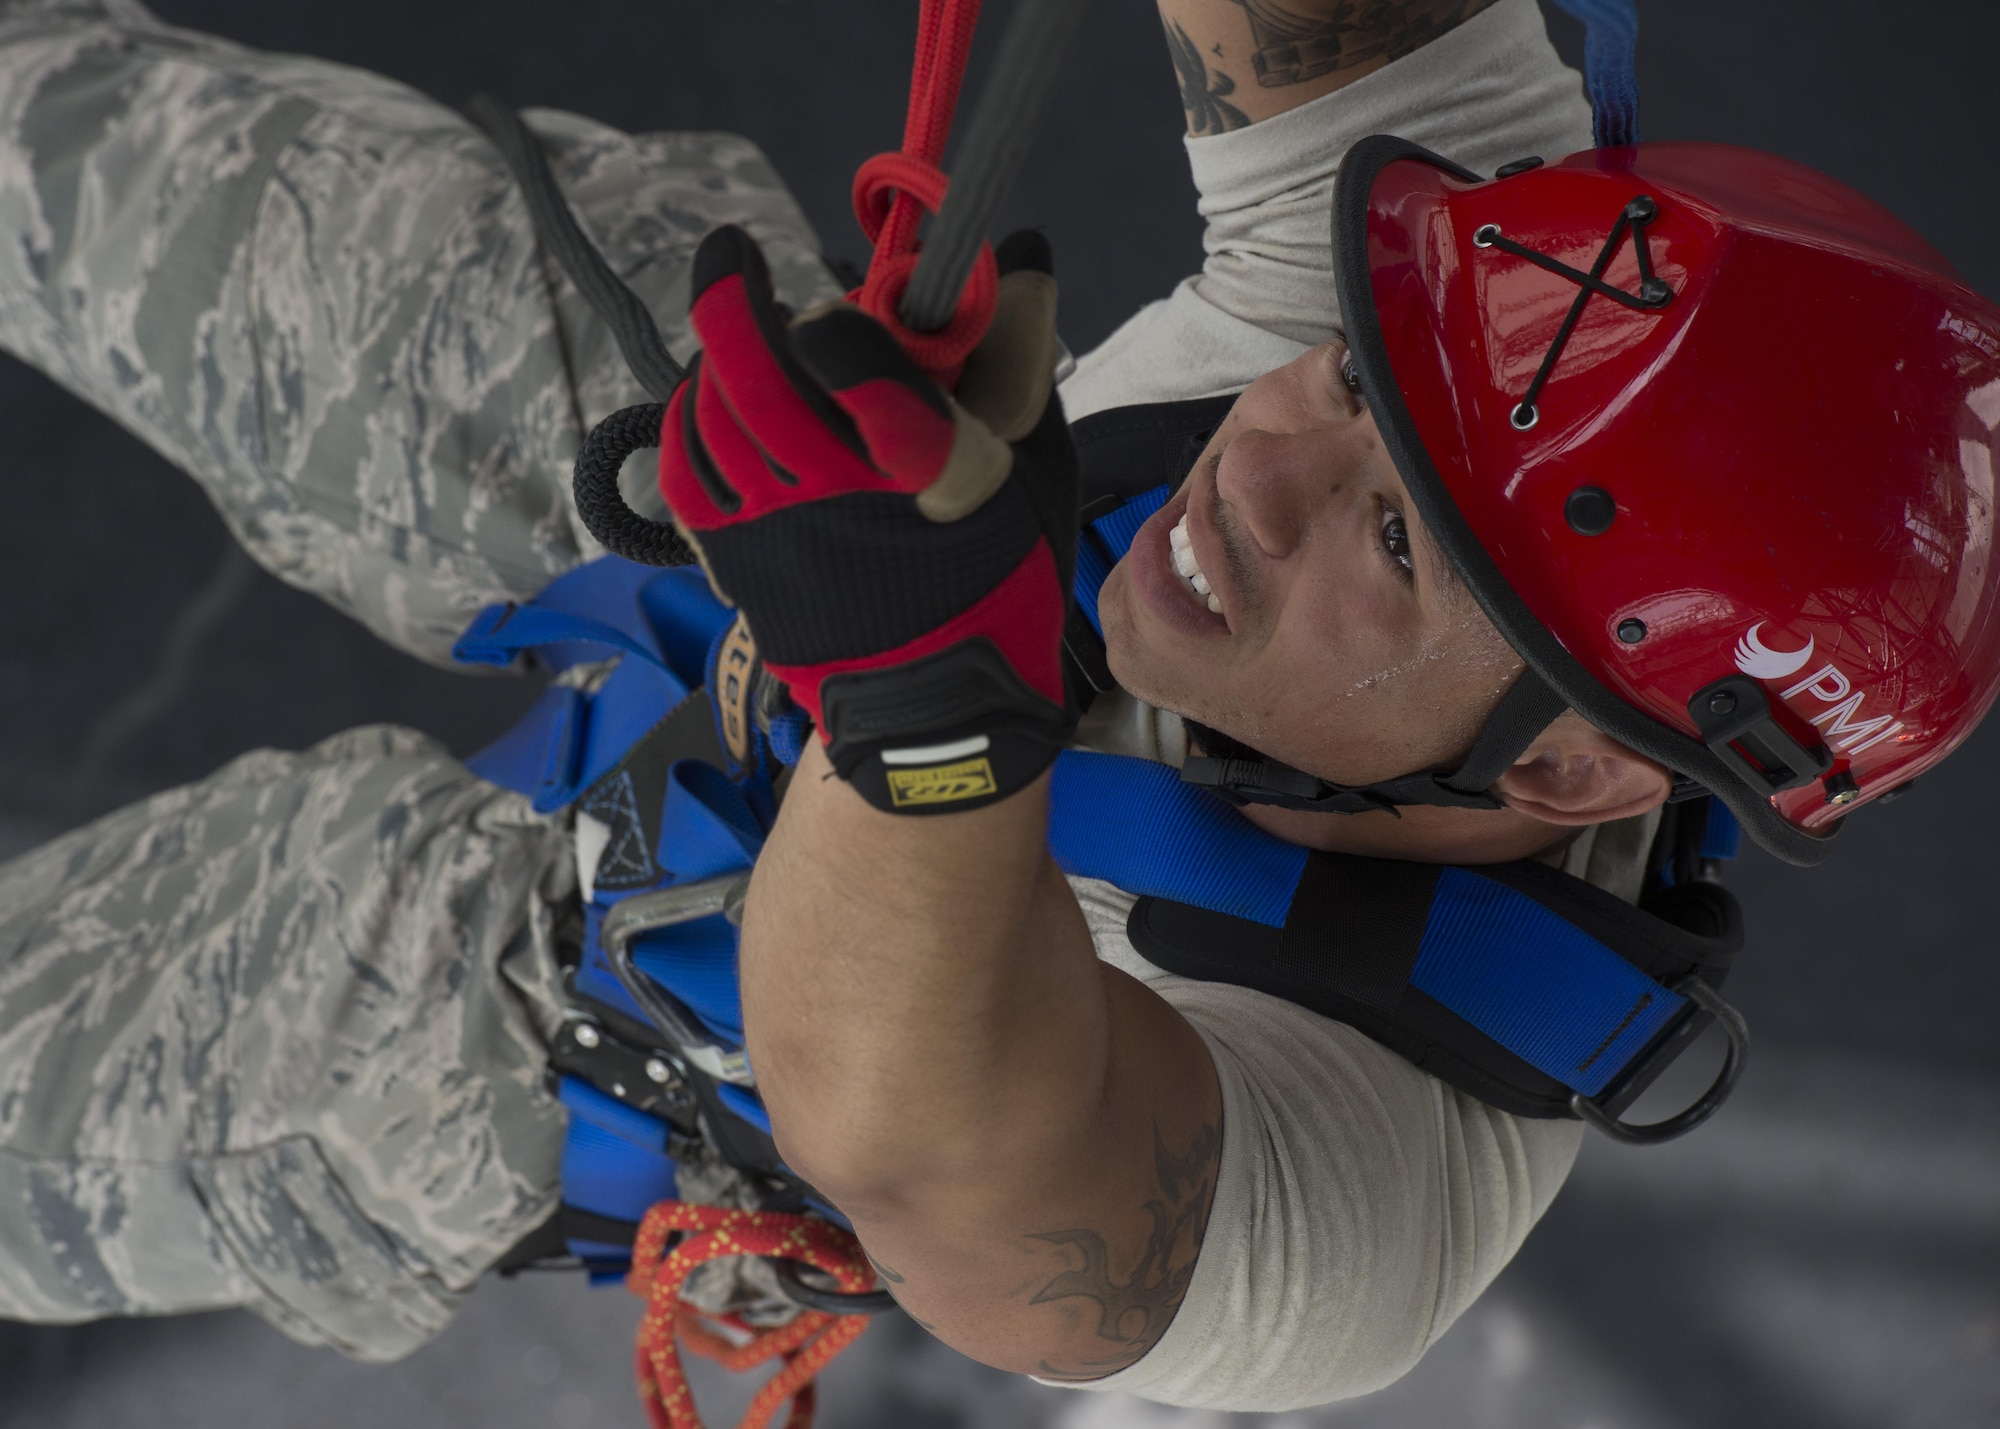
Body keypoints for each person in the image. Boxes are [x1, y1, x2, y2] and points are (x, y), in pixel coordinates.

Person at [1, 0, 1995, 1416]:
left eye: (1385, 534)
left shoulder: (1379, 1183)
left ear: (1561, 763)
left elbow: (942, 1161)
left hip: (579, 1009)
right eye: (1348, 372)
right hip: (746, 458)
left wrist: (927, 713)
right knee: (50, 136)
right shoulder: (1531, 302)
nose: (1268, 457)